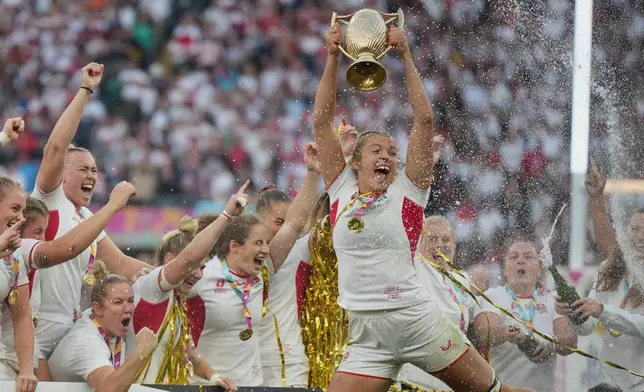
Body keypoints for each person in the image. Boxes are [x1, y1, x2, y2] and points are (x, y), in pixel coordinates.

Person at [314, 23, 531, 392]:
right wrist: (333, 57)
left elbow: (424, 121)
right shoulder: (340, 189)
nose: (386, 156)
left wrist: (406, 55)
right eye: (376, 151)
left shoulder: (408, 191)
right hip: (366, 336)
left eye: (392, 152)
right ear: (356, 162)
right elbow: (321, 121)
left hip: (416, 323)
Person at [31, 63, 148, 360]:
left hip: (69, 328)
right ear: (62, 176)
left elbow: (121, 264)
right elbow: (56, 149)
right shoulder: (48, 198)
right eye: (83, 169)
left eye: (95, 171)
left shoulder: (87, 219)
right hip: (34, 326)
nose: (92, 176)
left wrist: (166, 276)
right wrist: (85, 91)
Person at [7, 183, 136, 382]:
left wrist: (26, 369)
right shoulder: (24, 247)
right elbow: (69, 247)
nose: (43, 239)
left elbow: (22, 319)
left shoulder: (16, 256)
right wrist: (113, 206)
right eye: (15, 209)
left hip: (20, 357)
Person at [128, 182, 249, 390]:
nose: (199, 274)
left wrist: (214, 377)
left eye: (202, 267)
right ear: (169, 260)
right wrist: (226, 215)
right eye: (194, 266)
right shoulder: (151, 287)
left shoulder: (177, 300)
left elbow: (188, 351)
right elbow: (188, 259)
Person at [555, 158, 644, 390]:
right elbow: (586, 329)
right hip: (608, 383)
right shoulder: (609, 272)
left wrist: (603, 311)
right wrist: (576, 314)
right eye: (635, 229)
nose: (640, 236)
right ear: (626, 234)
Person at [256, 143, 321, 387]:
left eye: (286, 221)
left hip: (287, 362)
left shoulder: (301, 247)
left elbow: (298, 221)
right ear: (257, 221)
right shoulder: (247, 260)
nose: (284, 228)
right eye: (277, 222)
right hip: (246, 364)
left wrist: (316, 172)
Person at [473, 239, 577, 392]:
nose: (520, 261)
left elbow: (570, 342)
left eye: (528, 257)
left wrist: (553, 342)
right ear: (505, 270)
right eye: (514, 257)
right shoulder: (491, 297)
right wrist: (508, 332)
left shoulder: (552, 299)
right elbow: (484, 332)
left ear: (538, 271)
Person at [187, 213, 272, 387]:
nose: (266, 249)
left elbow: (292, 227)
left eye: (267, 243)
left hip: (251, 384)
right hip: (207, 384)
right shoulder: (202, 276)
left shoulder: (259, 278)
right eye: (258, 243)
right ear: (234, 245)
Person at [48, 261, 158, 392]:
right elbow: (109, 390)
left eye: (130, 301)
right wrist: (141, 353)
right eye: (118, 302)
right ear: (98, 309)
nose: (128, 308)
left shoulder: (103, 318)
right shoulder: (86, 342)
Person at [396, 216, 478, 391]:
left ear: (454, 246)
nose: (440, 245)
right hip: (416, 377)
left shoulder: (462, 279)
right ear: (419, 243)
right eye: (432, 239)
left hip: (450, 377)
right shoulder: (414, 268)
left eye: (446, 240)